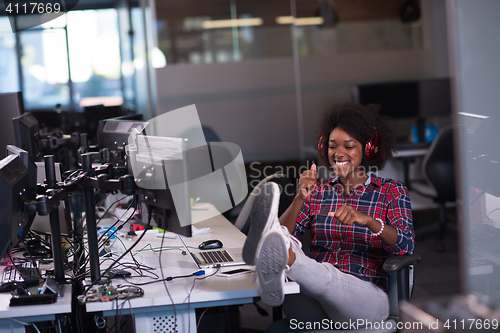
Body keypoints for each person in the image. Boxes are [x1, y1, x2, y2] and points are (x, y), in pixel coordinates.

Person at [242, 102, 415, 329]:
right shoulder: (319, 191)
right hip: (316, 301)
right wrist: (299, 199)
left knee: (326, 277)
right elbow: (288, 230)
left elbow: (405, 245)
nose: (338, 153)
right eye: (333, 146)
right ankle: (281, 256)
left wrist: (368, 221)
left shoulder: (391, 191)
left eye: (349, 146)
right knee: (283, 237)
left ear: (368, 149)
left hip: (365, 301)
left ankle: (287, 260)